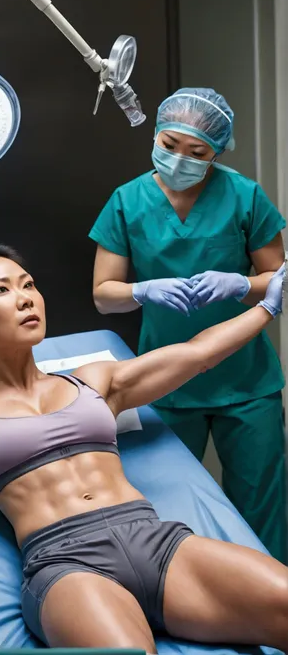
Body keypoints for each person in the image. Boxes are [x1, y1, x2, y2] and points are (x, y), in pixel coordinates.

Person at [0, 242, 287, 652]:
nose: (24, 299)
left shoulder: (96, 381)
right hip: (67, 566)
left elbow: (199, 354)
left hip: (157, 543)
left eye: (28, 285)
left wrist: (266, 306)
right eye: (1, 291)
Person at [89, 87, 287, 563]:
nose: (180, 159)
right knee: (169, 508)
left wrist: (241, 284)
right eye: (170, 144)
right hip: (165, 381)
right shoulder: (127, 200)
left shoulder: (243, 196)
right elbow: (103, 295)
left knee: (262, 508)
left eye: (197, 152)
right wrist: (142, 290)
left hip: (246, 382)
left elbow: (277, 278)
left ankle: (274, 616)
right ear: (155, 135)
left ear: (216, 152)